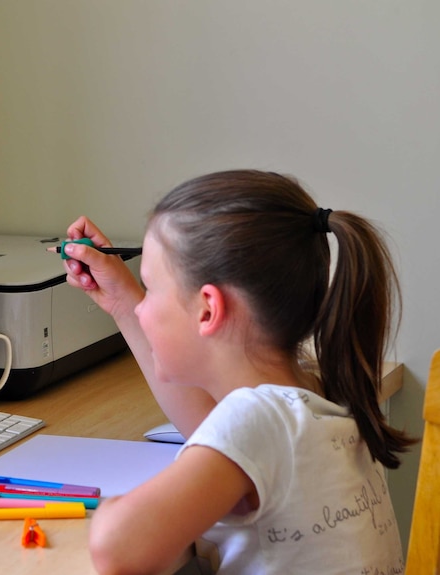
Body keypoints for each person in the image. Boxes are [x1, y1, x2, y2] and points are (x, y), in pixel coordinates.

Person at [60, 170, 415, 574]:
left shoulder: (259, 421)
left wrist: (113, 507)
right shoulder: (321, 394)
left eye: (151, 288)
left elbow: (116, 551)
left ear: (208, 309)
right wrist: (124, 302)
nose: (144, 307)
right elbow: (212, 426)